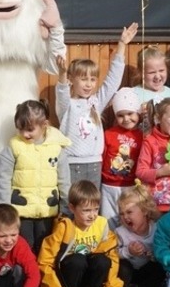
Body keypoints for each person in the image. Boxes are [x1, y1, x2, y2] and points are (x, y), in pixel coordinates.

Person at [56, 24, 135, 186]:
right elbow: (62, 92)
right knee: (71, 201)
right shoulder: (67, 105)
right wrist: (62, 74)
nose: (89, 84)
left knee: (92, 202)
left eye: (92, 79)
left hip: (94, 164)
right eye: (83, 79)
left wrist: (121, 45)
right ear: (72, 80)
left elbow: (112, 82)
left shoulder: (95, 103)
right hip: (71, 164)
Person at [0, 99, 71, 255]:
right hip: (21, 212)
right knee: (25, 249)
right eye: (20, 129)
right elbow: (3, 179)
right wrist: (6, 209)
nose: (25, 134)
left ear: (44, 125)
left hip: (48, 211)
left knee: (46, 248)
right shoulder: (14, 147)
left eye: (30, 129)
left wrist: (65, 207)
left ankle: (43, 272)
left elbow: (64, 181)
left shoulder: (57, 148)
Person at [38, 180, 122, 287]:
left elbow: (112, 256)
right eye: (86, 210)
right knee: (77, 260)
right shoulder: (64, 227)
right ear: (72, 208)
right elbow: (45, 261)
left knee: (103, 260)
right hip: (66, 276)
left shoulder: (101, 225)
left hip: (85, 273)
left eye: (96, 209)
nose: (92, 215)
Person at [136, 97, 170, 213]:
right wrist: (160, 172)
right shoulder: (150, 142)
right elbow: (140, 172)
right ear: (158, 118)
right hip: (158, 205)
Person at [100, 87, 143, 220]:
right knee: (108, 220)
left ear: (138, 112)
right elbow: (102, 157)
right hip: (108, 186)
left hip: (131, 186)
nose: (126, 119)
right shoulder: (109, 134)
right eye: (120, 115)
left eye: (130, 113)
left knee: (130, 218)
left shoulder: (143, 136)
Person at [114, 184, 164, 287]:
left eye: (129, 212)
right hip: (129, 272)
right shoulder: (120, 232)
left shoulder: (156, 229)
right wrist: (128, 251)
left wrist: (154, 255)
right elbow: (113, 254)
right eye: (122, 214)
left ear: (145, 211)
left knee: (160, 265)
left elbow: (164, 248)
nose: (125, 217)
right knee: (123, 266)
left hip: (145, 270)